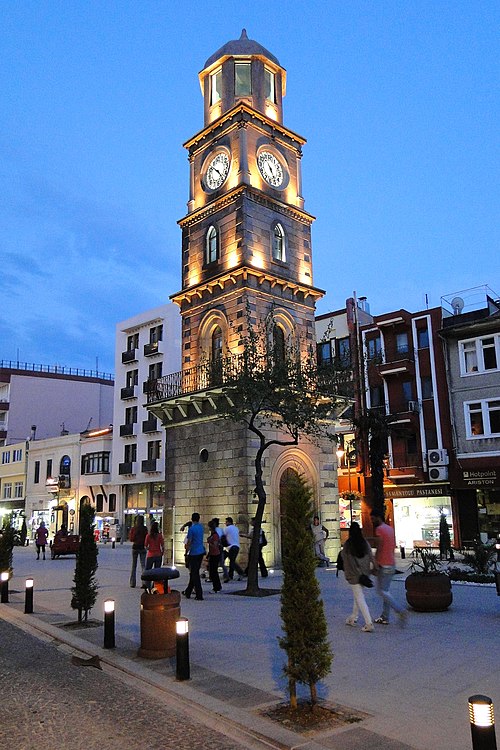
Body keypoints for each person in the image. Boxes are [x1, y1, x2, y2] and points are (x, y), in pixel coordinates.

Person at [371, 510, 407, 626]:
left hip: (384, 565)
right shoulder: (390, 529)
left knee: (381, 591)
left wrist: (375, 563)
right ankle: (385, 617)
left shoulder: (379, 530)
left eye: (373, 518)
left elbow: (380, 547)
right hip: (391, 563)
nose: (372, 520)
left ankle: (400, 610)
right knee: (386, 591)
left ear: (378, 517)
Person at [341, 522, 375, 632]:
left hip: (354, 575)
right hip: (364, 575)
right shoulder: (364, 543)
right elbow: (370, 555)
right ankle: (353, 618)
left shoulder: (348, 545)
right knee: (358, 596)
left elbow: (346, 560)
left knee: (360, 598)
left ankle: (368, 622)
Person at [183, 513, 205, 600]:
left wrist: (186, 552)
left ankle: (199, 594)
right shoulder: (201, 527)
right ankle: (188, 591)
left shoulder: (191, 529)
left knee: (194, 574)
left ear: (192, 519)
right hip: (201, 551)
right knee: (194, 572)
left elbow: (189, 542)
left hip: (194, 553)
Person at [223, 517, 246, 582]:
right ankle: (238, 573)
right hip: (236, 546)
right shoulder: (236, 528)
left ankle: (231, 575)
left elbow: (222, 535)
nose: (225, 523)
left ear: (229, 522)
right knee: (232, 561)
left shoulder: (226, 529)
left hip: (230, 547)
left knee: (231, 561)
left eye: (226, 522)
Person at [144, 521, 164, 591]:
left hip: (150, 555)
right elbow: (162, 545)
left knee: (148, 571)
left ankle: (147, 586)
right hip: (158, 555)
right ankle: (155, 586)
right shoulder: (159, 536)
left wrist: (149, 549)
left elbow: (145, 546)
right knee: (157, 571)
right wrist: (162, 552)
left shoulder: (148, 536)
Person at [129, 515, 147, 588]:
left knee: (134, 566)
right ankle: (144, 583)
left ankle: (132, 583)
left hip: (135, 547)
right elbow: (146, 538)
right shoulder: (144, 529)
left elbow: (131, 539)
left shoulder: (134, 529)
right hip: (142, 548)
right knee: (143, 566)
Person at [206, 520, 222, 593]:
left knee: (213, 572)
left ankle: (217, 587)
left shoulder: (215, 535)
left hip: (215, 555)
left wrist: (209, 542)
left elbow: (215, 545)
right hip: (212, 554)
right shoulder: (213, 534)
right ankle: (217, 586)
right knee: (212, 571)